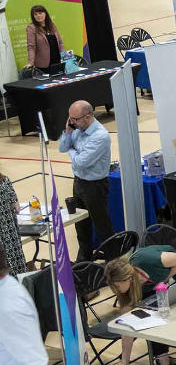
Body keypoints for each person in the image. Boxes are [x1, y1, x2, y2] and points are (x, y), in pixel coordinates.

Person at [105, 245, 176, 365]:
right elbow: (127, 329)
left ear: (127, 278)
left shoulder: (146, 260)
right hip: (155, 285)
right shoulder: (127, 292)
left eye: (117, 286)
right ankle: (165, 363)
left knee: (171, 313)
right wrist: (124, 364)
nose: (115, 291)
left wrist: (166, 278)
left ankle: (165, 360)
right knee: (150, 319)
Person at [59, 101, 112, 261]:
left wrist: (71, 150)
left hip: (95, 186)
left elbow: (81, 162)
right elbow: (62, 147)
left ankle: (113, 261)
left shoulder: (100, 136)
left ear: (87, 117)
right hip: (78, 182)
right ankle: (84, 259)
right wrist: (68, 132)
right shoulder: (76, 129)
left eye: (75, 119)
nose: (72, 122)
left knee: (102, 225)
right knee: (80, 224)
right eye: (70, 119)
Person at [24, 5, 64, 73]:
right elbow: (31, 47)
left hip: (58, 61)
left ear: (45, 13)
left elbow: (60, 43)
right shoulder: (31, 28)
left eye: (40, 13)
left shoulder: (52, 25)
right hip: (43, 65)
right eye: (35, 14)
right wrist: (30, 62)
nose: (38, 16)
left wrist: (64, 57)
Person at [0, 171, 24, 276]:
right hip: (11, 233)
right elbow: (17, 208)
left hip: (9, 233)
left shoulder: (5, 181)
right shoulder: (5, 180)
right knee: (17, 266)